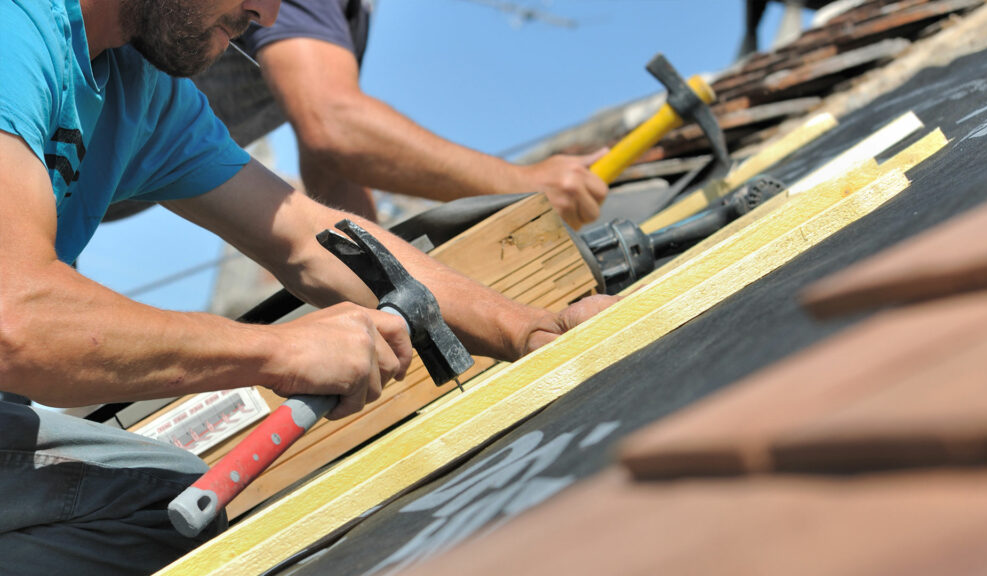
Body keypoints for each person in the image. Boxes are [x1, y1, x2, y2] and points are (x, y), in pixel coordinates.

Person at [0, 0, 616, 574]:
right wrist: (282, 352)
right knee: (158, 504)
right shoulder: (16, 29)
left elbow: (307, 238)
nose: (266, 13)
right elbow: (17, 320)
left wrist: (528, 328)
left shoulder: (144, 94)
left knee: (167, 508)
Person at [104, 0, 610, 229]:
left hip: (87, 186)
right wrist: (523, 185)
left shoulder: (348, 18)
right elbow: (336, 126)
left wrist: (390, 284)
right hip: (49, 145)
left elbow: (333, 169)